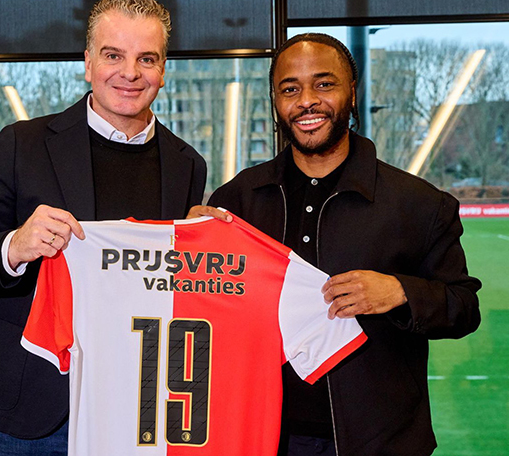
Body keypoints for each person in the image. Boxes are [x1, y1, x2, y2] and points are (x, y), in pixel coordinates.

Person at [0, 0, 206, 454]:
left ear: (163, 70)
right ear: (88, 63)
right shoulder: (23, 144)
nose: (130, 73)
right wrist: (14, 247)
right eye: (113, 55)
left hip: (129, 412)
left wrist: (203, 247)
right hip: (21, 416)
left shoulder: (187, 165)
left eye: (147, 58)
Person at [198, 33, 481, 456]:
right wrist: (189, 245)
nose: (307, 101)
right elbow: (206, 311)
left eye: (324, 84)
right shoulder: (237, 201)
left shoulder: (420, 203)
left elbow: (464, 307)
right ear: (275, 101)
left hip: (380, 443)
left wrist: (400, 292)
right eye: (290, 89)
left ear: (352, 92)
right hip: (261, 438)